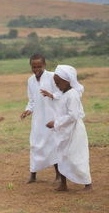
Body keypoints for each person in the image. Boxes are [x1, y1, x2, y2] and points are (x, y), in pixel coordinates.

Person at [46, 65, 92, 191]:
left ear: (67, 81)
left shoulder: (73, 95)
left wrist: (55, 123)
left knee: (77, 157)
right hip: (63, 131)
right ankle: (63, 184)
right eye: (55, 82)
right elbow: (57, 103)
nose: (56, 85)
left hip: (74, 131)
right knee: (62, 156)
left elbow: (73, 116)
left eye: (58, 82)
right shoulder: (62, 93)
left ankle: (87, 183)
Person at [20, 54, 61, 183]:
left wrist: (51, 95)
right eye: (34, 66)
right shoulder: (30, 80)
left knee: (53, 145)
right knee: (35, 145)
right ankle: (33, 175)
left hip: (52, 117)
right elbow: (31, 100)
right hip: (38, 120)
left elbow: (61, 93)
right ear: (30, 66)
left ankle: (58, 175)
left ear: (44, 65)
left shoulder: (53, 77)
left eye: (39, 66)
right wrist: (28, 110)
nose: (36, 69)